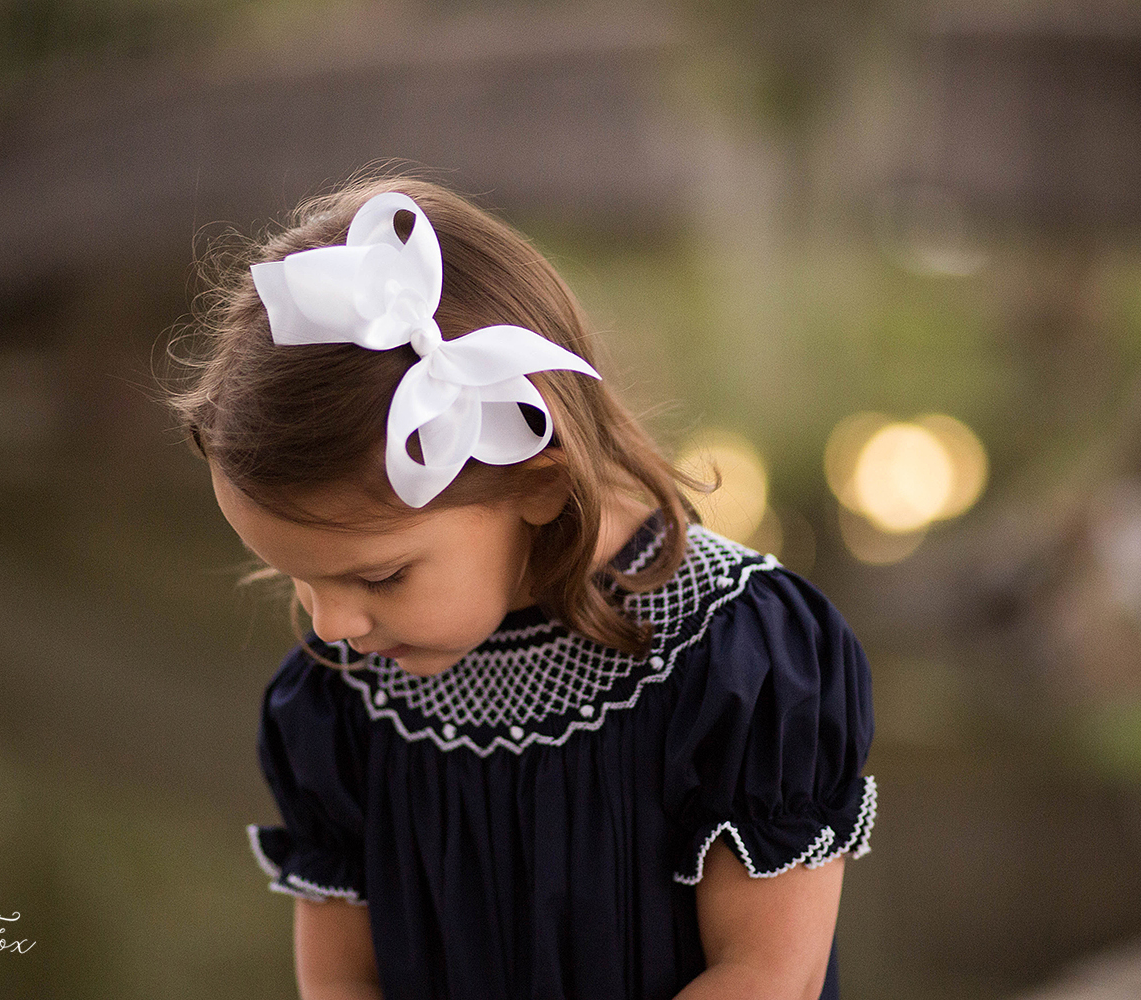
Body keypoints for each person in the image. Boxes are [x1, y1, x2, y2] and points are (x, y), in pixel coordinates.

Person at [167, 174, 876, 1000]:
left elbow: (766, 974)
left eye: (379, 576)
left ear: (539, 483)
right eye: (296, 577)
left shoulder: (740, 665)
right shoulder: (342, 703)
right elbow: (342, 982)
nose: (330, 626)